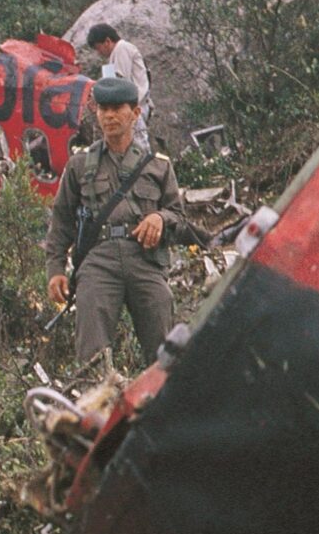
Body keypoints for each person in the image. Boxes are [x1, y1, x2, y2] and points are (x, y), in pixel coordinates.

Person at [45, 78, 205, 365]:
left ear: (135, 112)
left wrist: (160, 217)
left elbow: (180, 218)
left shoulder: (158, 166)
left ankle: (162, 403)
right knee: (91, 350)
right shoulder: (80, 165)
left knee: (164, 345)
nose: (109, 116)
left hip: (144, 260)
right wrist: (55, 269)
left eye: (118, 108)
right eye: (104, 109)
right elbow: (61, 222)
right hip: (99, 261)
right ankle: (96, 402)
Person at [86, 24, 152, 149]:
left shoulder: (121, 48)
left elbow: (120, 82)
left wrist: (97, 93)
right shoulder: (116, 54)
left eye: (98, 47)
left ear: (107, 41)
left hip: (133, 106)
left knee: (139, 147)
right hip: (129, 106)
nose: (98, 52)